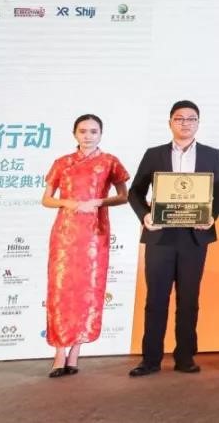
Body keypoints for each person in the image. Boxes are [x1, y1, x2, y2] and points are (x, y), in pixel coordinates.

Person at [126, 100, 219, 377]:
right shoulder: (154, 154)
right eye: (179, 118)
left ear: (198, 123)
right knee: (156, 299)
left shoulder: (211, 154)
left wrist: (212, 215)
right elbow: (135, 192)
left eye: (191, 119)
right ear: (170, 122)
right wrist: (145, 216)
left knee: (189, 299)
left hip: (194, 237)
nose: (185, 123)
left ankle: (185, 357)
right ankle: (150, 360)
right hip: (160, 236)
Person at [41, 114, 129, 378]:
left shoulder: (110, 162)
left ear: (101, 134)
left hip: (94, 234)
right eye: (83, 131)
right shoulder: (62, 163)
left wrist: (99, 202)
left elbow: (123, 196)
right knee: (60, 290)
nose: (88, 136)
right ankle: (59, 353)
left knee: (87, 289)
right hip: (65, 234)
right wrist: (66, 202)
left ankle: (75, 352)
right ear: (74, 134)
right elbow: (46, 199)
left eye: (93, 131)